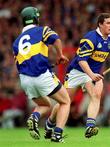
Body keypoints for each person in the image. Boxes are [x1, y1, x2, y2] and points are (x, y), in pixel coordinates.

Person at [45, 13, 110, 138]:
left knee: (97, 94)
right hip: (77, 71)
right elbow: (81, 60)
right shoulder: (90, 38)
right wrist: (92, 75)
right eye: (108, 23)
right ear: (100, 24)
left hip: (93, 74)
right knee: (65, 101)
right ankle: (50, 123)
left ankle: (90, 126)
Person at [12, 6, 70, 143]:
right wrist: (60, 55)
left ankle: (35, 117)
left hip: (25, 80)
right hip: (41, 75)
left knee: (45, 104)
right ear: (35, 18)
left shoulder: (16, 42)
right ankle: (57, 134)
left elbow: (23, 62)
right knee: (65, 101)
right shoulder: (42, 30)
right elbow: (56, 39)